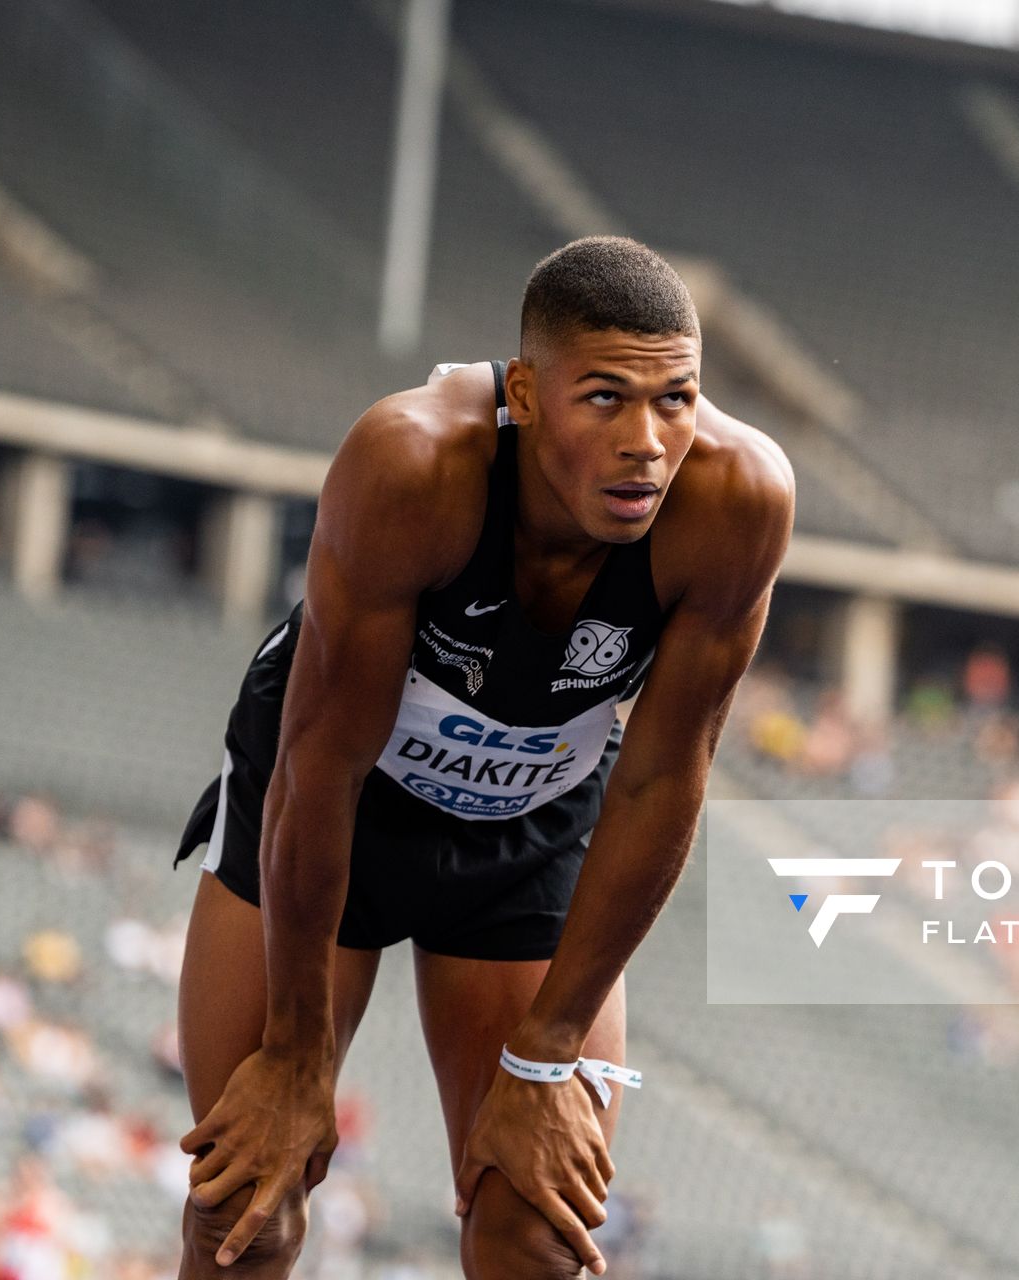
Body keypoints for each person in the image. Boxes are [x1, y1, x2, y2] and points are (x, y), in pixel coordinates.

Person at [170, 236, 793, 1279]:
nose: (648, 440)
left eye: (676, 398)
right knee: (247, 1208)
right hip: (347, 799)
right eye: (605, 398)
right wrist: (293, 1050)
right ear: (526, 393)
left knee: (539, 1238)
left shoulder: (737, 501)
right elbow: (319, 766)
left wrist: (546, 1053)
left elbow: (660, 776)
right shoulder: (413, 464)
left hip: (536, 815)